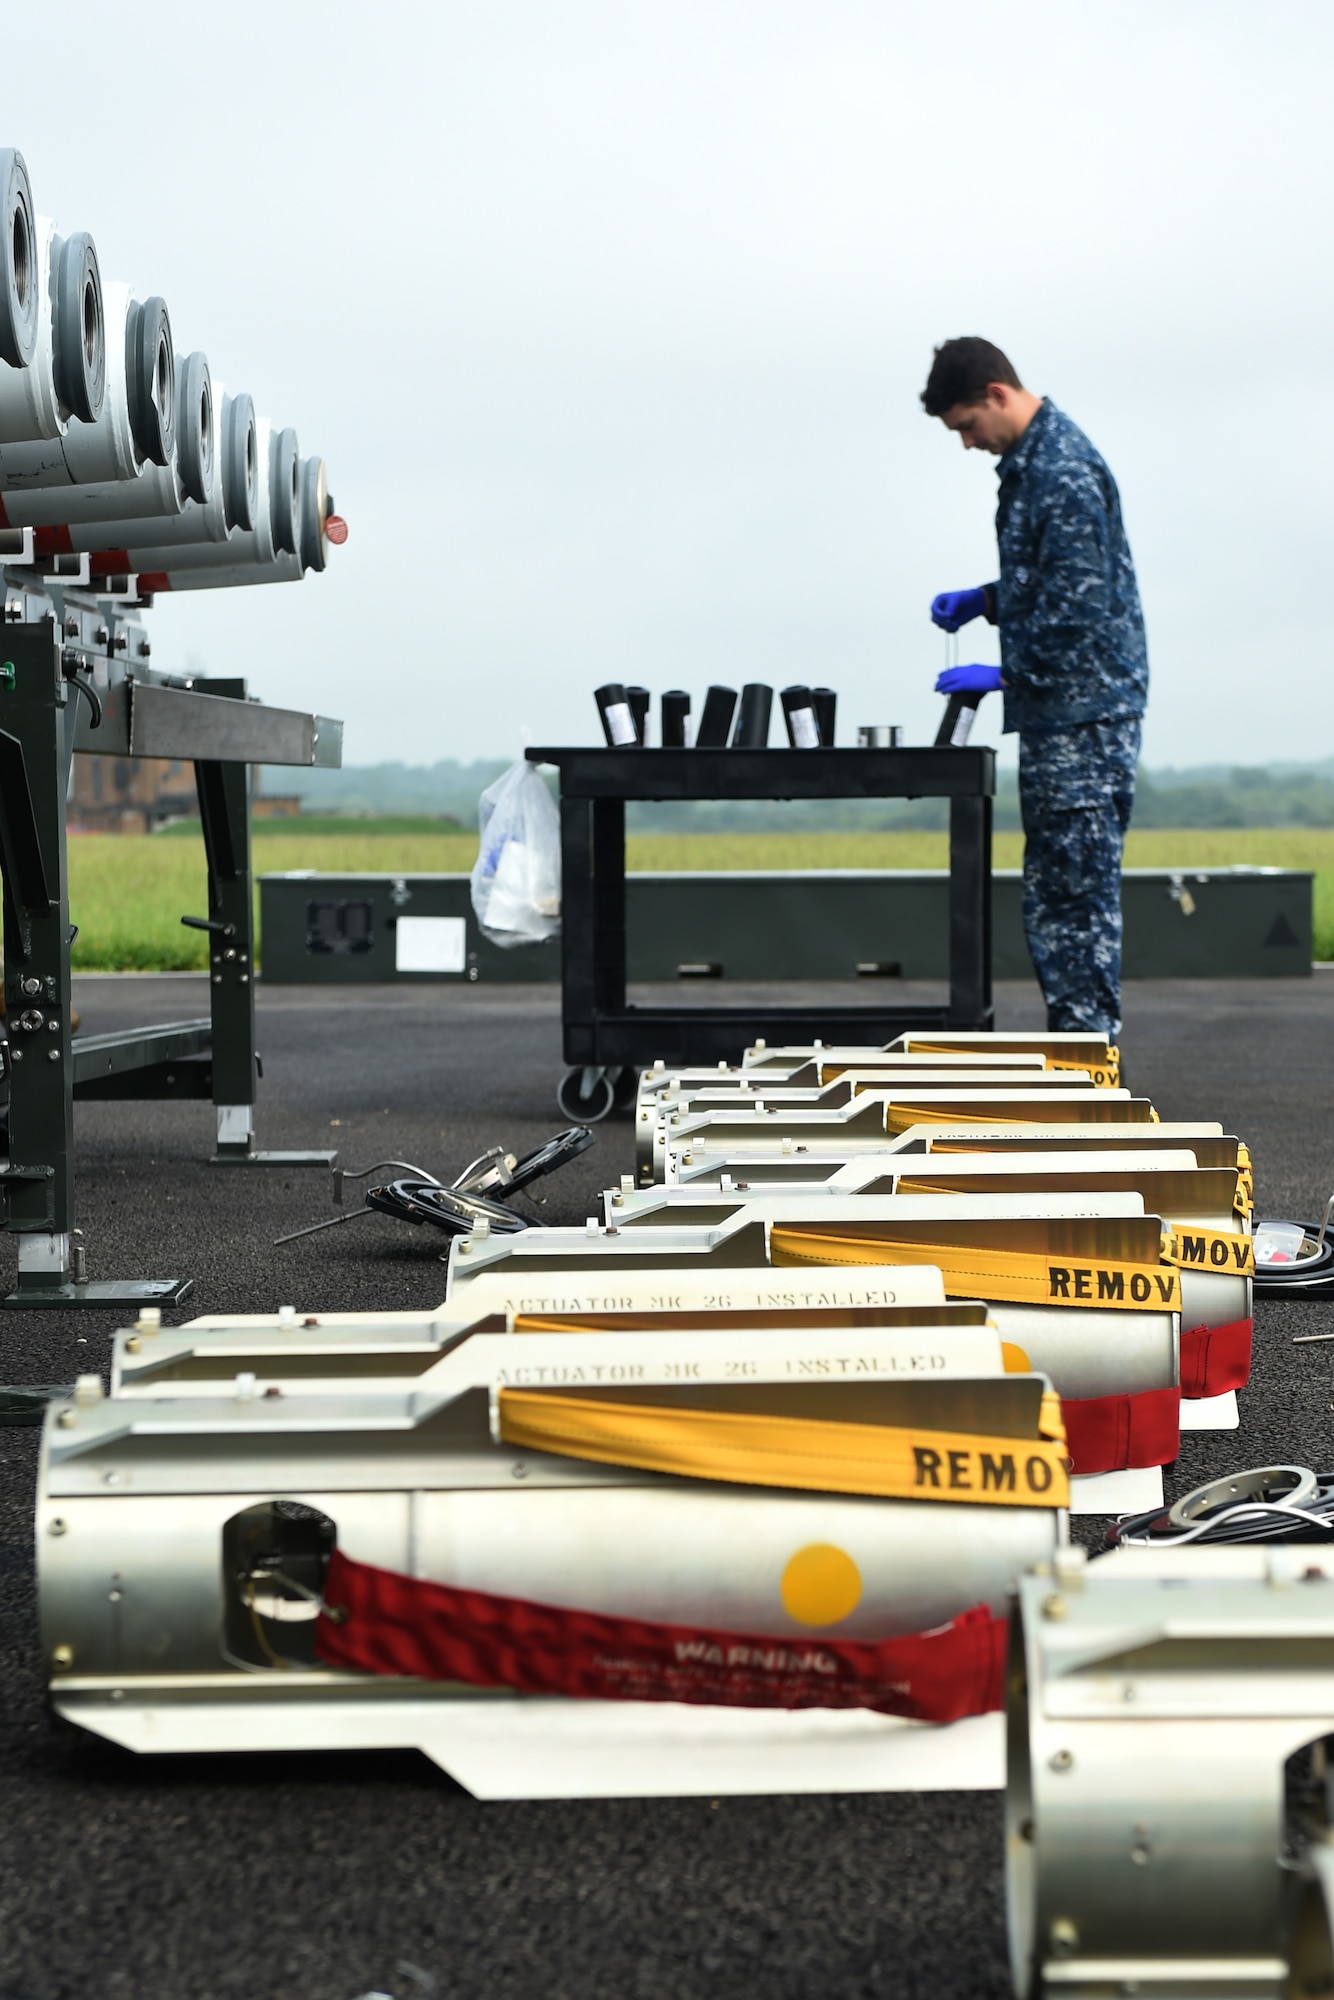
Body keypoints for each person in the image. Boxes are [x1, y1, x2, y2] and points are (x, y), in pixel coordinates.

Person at [922, 336, 1148, 1038]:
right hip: (1063, 715)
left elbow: (1077, 612)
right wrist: (988, 600)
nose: (967, 444)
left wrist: (1007, 674)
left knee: (1073, 898)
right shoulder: (1033, 466)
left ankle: (1087, 1067)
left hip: (1081, 717)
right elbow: (1051, 579)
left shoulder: (1061, 471)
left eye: (966, 426)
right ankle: (1079, 1059)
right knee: (1057, 891)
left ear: (996, 394)